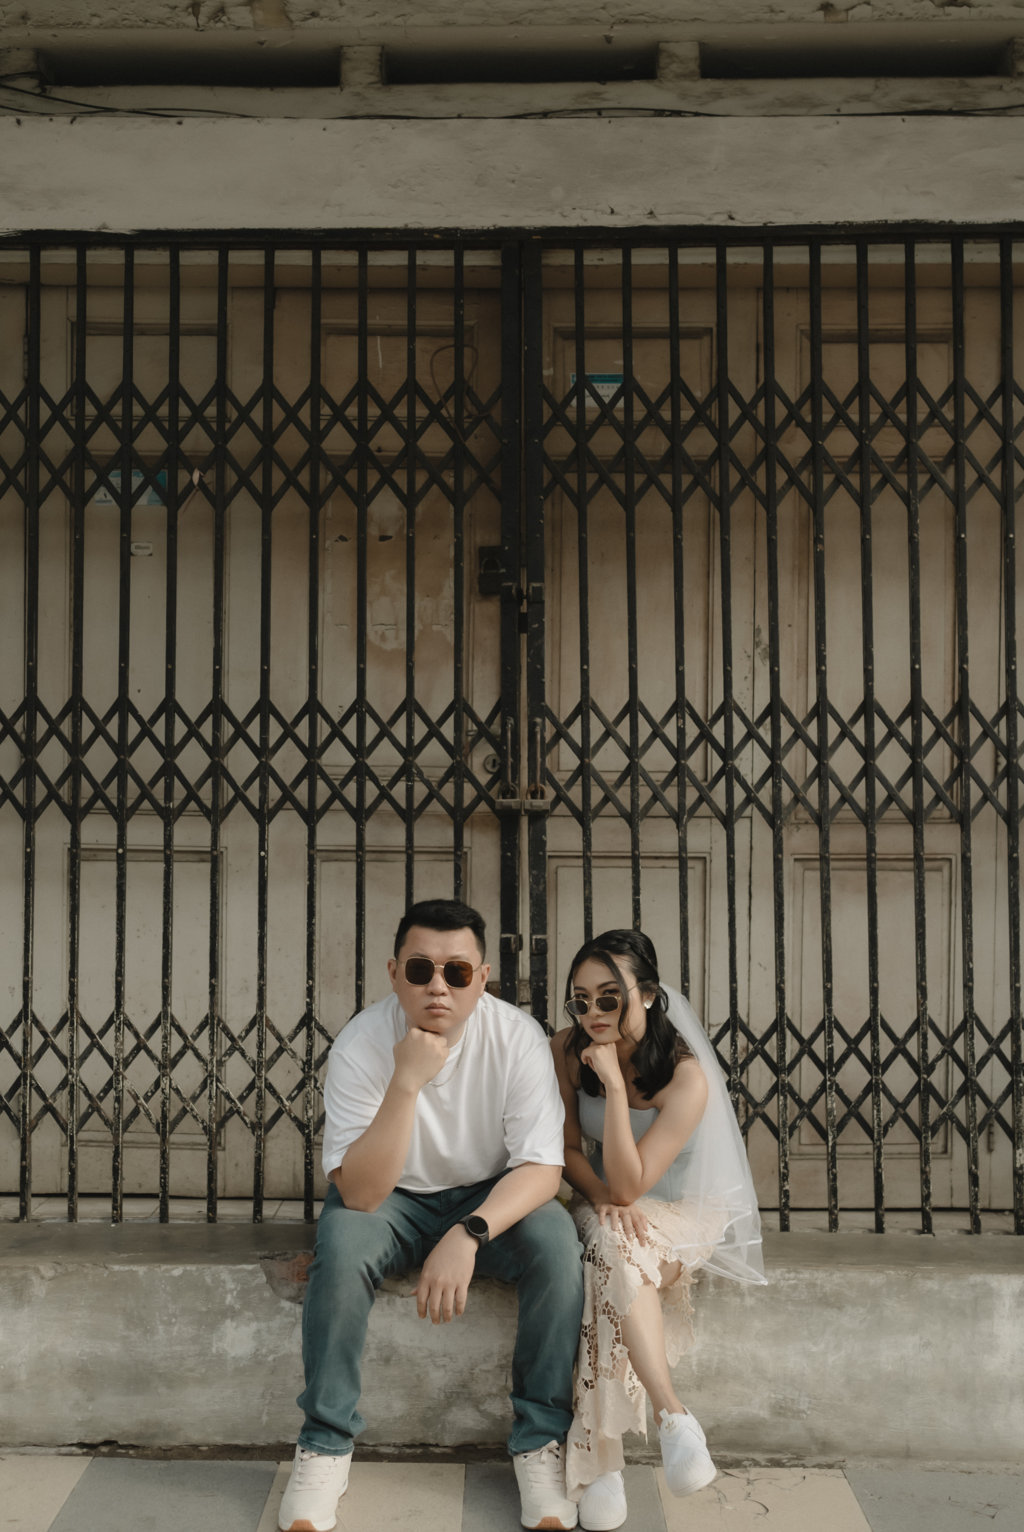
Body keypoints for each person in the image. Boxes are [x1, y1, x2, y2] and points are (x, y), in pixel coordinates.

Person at [279, 898, 585, 1532]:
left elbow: (541, 1169)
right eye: (420, 970)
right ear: (395, 973)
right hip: (389, 1199)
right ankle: (325, 1446)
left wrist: (468, 1235)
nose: (438, 986)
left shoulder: (517, 1037)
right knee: (342, 1248)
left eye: (458, 972)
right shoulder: (363, 1042)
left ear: (483, 977)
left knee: (557, 1249)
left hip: (488, 1196)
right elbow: (361, 1194)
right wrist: (406, 1081)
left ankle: (540, 1444)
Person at [551, 929, 766, 1532]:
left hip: (684, 1209)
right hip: (603, 1199)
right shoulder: (565, 1049)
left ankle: (600, 1464)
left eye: (609, 997)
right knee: (612, 1245)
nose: (593, 1013)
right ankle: (675, 1419)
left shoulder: (685, 1076)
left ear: (646, 994)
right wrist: (600, 1199)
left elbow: (635, 1184)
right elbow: (569, 1152)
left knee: (611, 1251)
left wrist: (616, 1086)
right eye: (581, 1000)